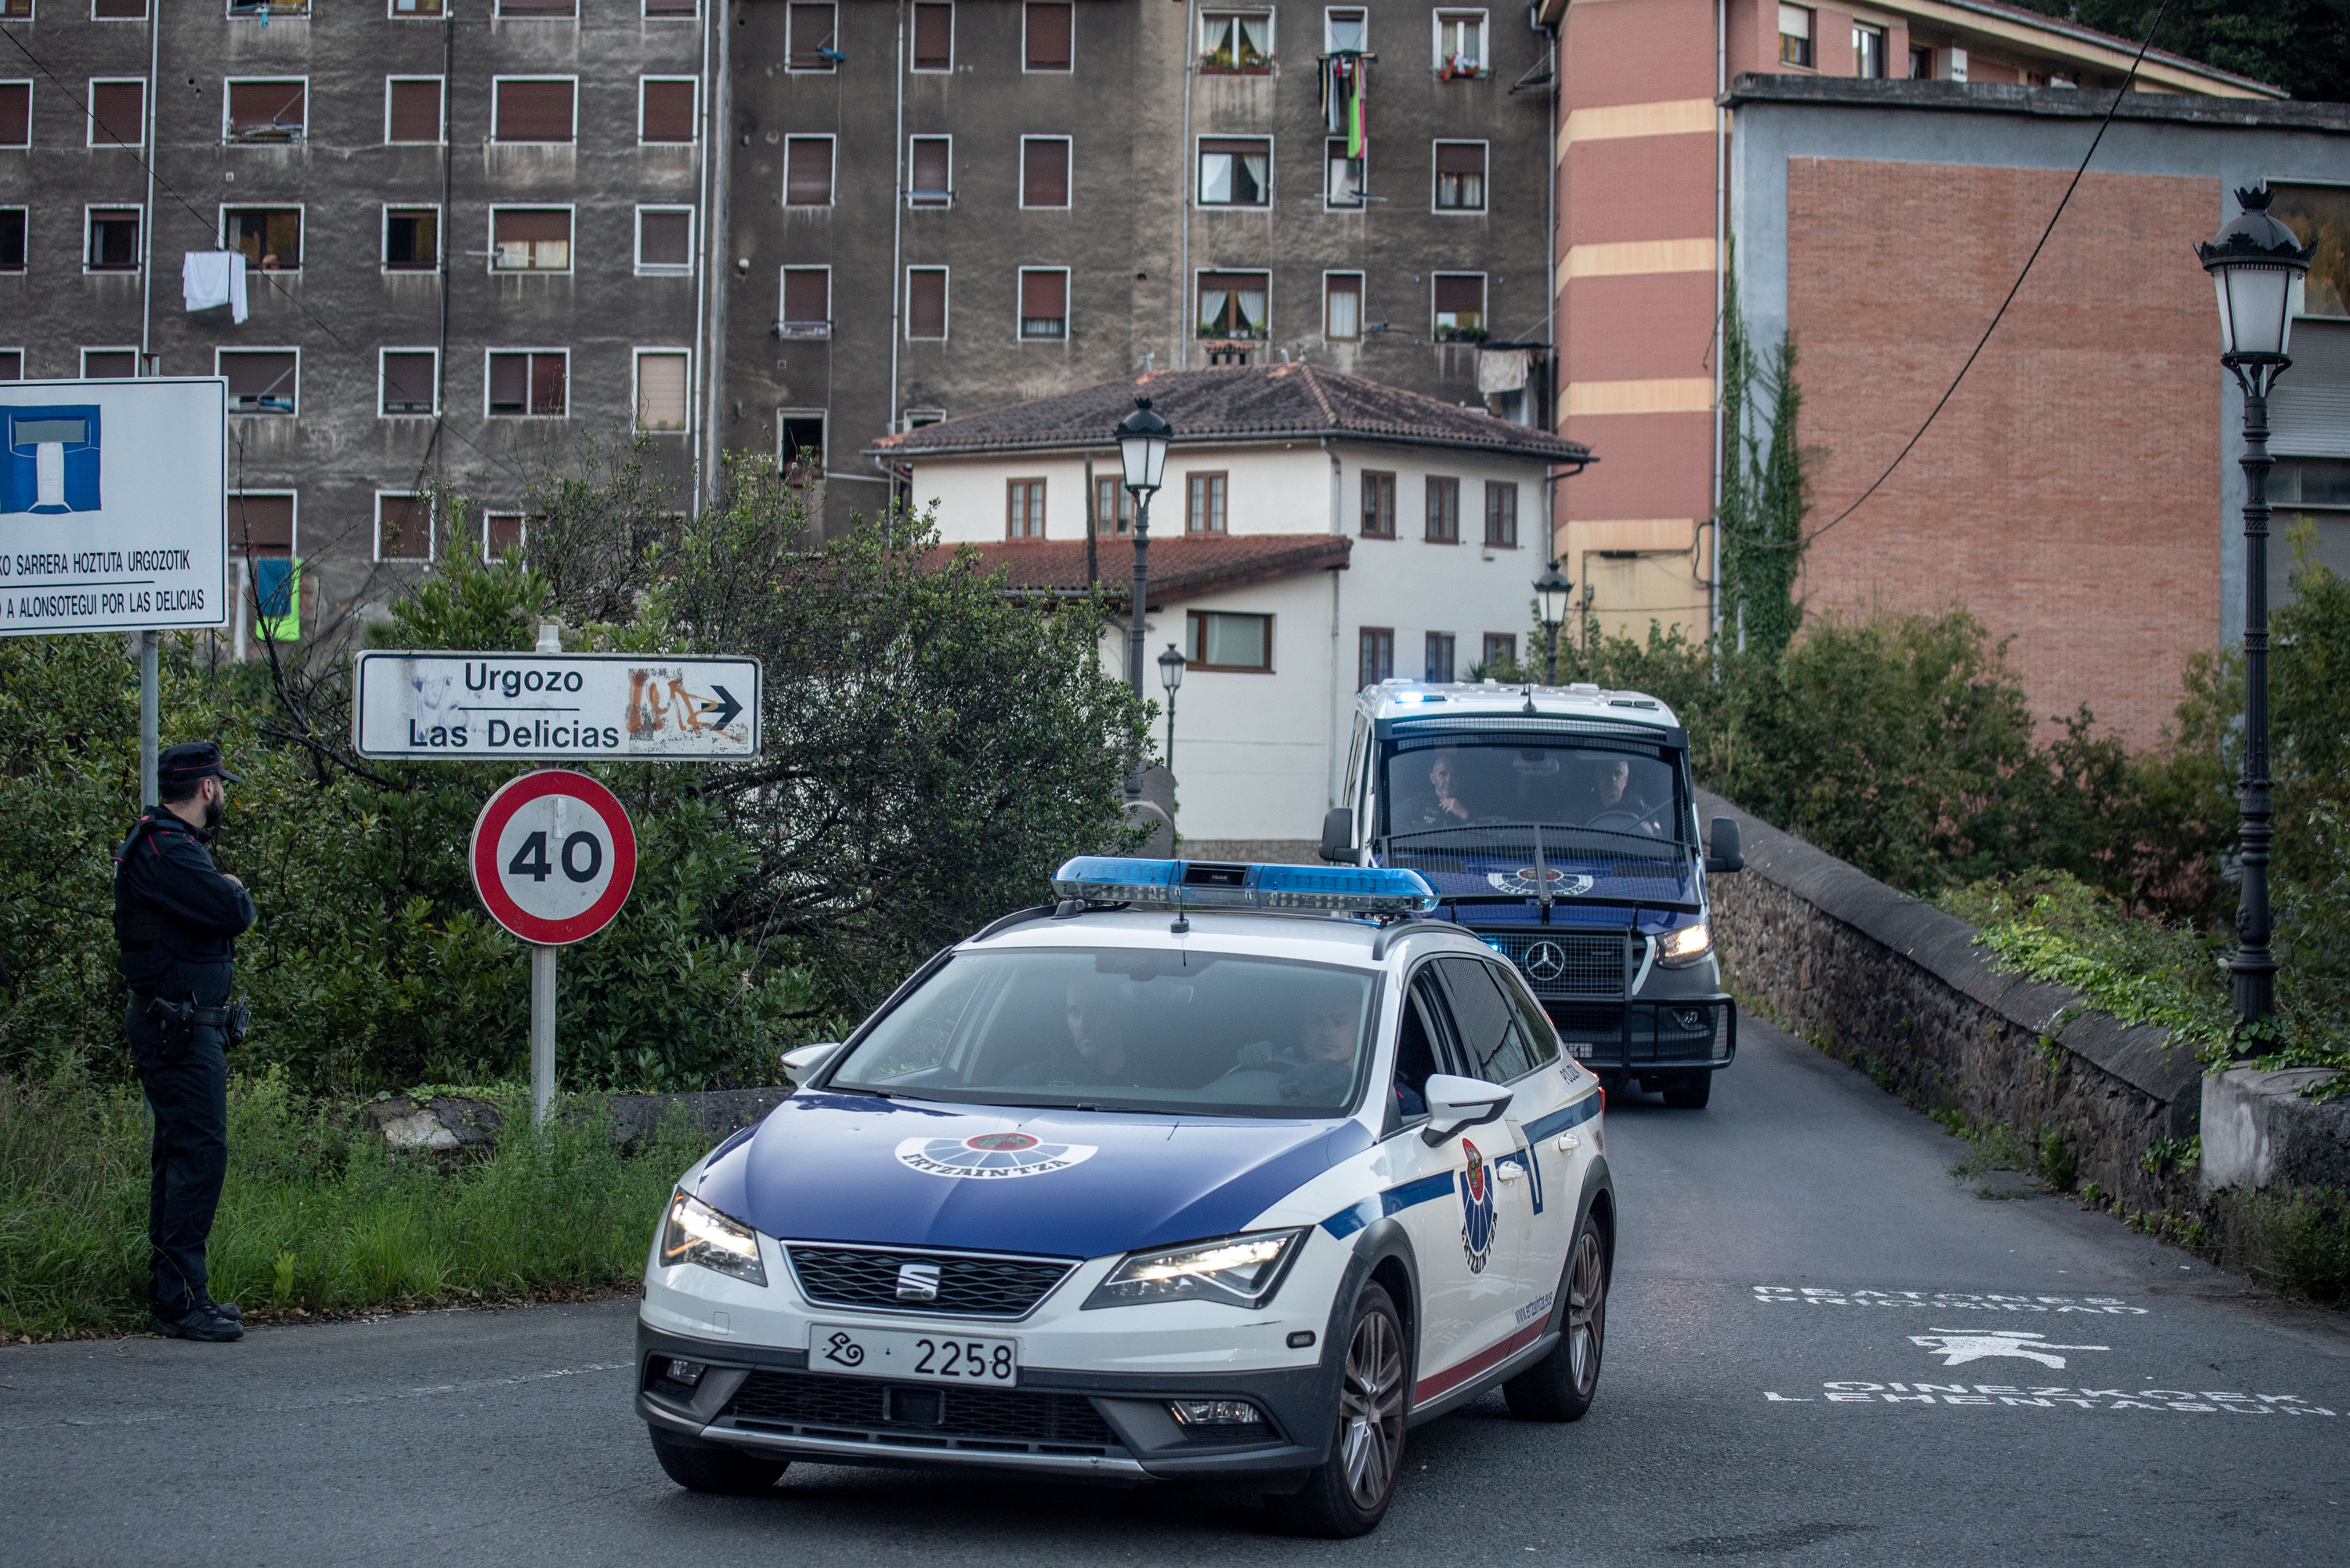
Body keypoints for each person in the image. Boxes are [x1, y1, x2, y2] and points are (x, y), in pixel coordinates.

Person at [114, 741, 257, 1343]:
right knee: (198, 1156)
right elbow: (233, 911)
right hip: (176, 1029)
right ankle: (179, 1300)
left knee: (181, 1156)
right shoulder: (166, 849)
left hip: (184, 1025)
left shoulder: (168, 846)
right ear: (206, 789)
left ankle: (178, 1292)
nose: (222, 793)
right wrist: (232, 887)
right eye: (220, 784)